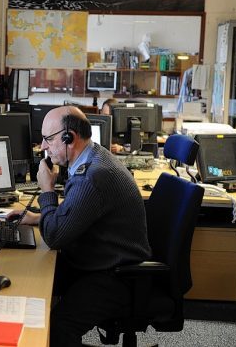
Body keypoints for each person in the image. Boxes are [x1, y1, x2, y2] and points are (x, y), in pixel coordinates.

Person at [8, 105, 151, 346]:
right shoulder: (95, 156)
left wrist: (47, 190)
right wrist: (39, 217)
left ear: (69, 138)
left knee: (56, 328)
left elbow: (54, 236)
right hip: (101, 259)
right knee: (26, 284)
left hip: (115, 276)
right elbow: (75, 214)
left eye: (47, 139)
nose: (43, 147)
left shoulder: (92, 177)